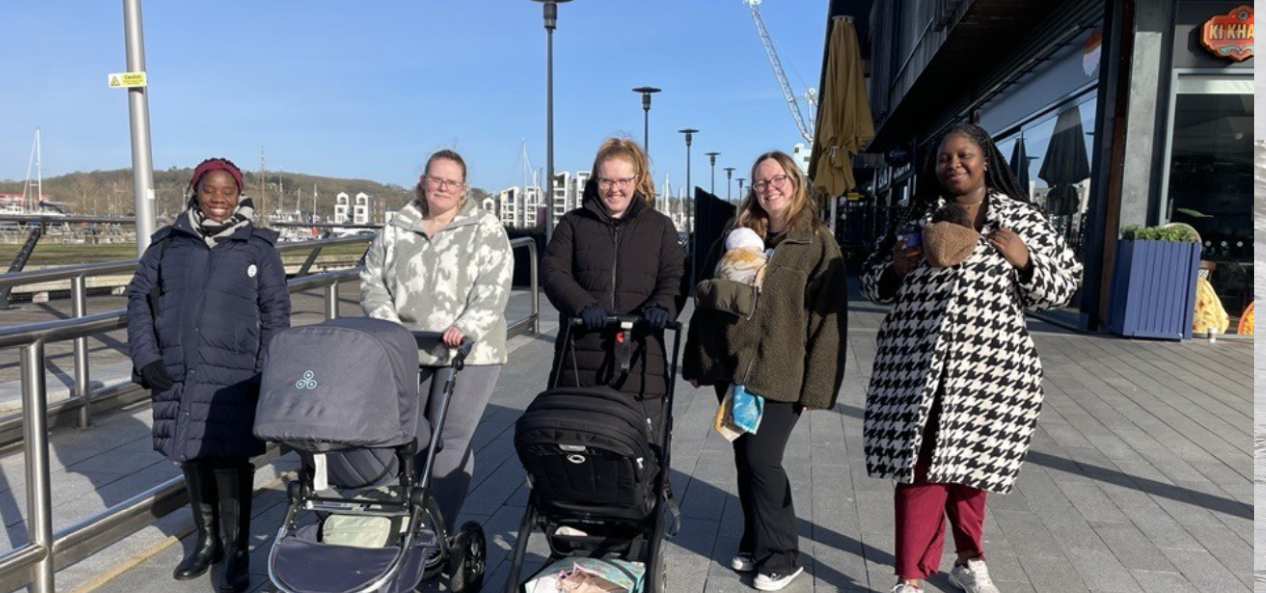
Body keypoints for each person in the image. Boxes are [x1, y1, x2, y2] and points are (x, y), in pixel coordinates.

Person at [860, 123, 1082, 593]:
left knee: (970, 468)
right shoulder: (917, 216)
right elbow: (870, 280)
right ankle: (910, 577)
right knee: (917, 468)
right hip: (915, 366)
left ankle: (968, 559)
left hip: (989, 370)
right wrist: (894, 270)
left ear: (986, 160)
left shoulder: (1020, 219)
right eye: (944, 157)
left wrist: (1026, 261)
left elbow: (1064, 285)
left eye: (964, 155)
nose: (953, 164)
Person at [683, 150, 848, 592]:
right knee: (744, 457)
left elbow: (827, 322)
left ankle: (782, 555)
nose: (769, 187)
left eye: (778, 179)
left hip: (782, 369)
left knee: (762, 459)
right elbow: (708, 298)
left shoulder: (815, 241)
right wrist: (696, 360)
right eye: (761, 182)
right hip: (733, 368)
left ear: (795, 183)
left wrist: (818, 386)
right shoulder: (737, 235)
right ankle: (756, 541)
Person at [126, 157, 290, 593]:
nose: (218, 200)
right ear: (195, 192)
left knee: (232, 458)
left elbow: (276, 312)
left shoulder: (258, 247)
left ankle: (237, 550)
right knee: (192, 452)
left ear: (240, 196)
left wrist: (269, 369)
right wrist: (147, 358)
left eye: (228, 192)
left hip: (236, 373)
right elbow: (139, 301)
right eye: (209, 191)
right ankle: (208, 541)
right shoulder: (167, 244)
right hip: (177, 368)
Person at [360, 149, 513, 551]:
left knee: (450, 438)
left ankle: (435, 530)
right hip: (408, 346)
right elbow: (371, 277)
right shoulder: (398, 226)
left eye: (452, 182)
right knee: (412, 435)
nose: (443, 187)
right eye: (436, 179)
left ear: (463, 188)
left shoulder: (485, 228)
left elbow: (494, 289)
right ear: (423, 180)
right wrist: (387, 322)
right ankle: (403, 515)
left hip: (469, 350)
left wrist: (465, 327)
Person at [541, 137, 684, 434]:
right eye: (606, 181)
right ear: (596, 180)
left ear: (637, 180)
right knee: (580, 438)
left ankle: (654, 482)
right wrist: (582, 304)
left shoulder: (659, 227)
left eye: (622, 180)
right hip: (580, 354)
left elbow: (674, 276)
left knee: (646, 441)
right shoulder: (573, 224)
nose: (614, 189)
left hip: (642, 354)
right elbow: (554, 272)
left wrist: (661, 306)